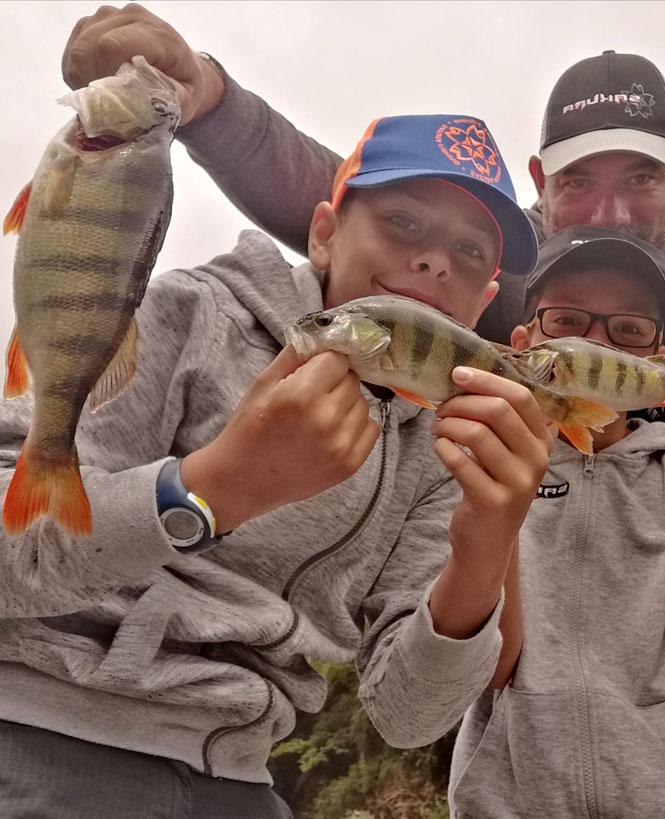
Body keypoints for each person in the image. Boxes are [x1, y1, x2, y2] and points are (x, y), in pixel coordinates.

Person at [60, 7, 665, 816]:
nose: (614, 209)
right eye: (582, 182)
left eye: (641, 177)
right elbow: (361, 222)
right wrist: (211, 103)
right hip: (544, 683)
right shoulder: (501, 290)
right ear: (541, 187)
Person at [0, 111, 551, 818]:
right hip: (39, 742)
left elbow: (406, 717)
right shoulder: (191, 311)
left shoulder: (447, 450)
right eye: (404, 224)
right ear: (323, 233)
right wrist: (215, 488)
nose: (436, 262)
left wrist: (486, 549)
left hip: (239, 779)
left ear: (482, 303)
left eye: (470, 253)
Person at [448, 224, 665, 817]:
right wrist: (508, 494)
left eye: (627, 329)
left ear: (660, 361)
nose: (596, 346)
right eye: (568, 322)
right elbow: (492, 670)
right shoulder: (468, 461)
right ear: (523, 341)